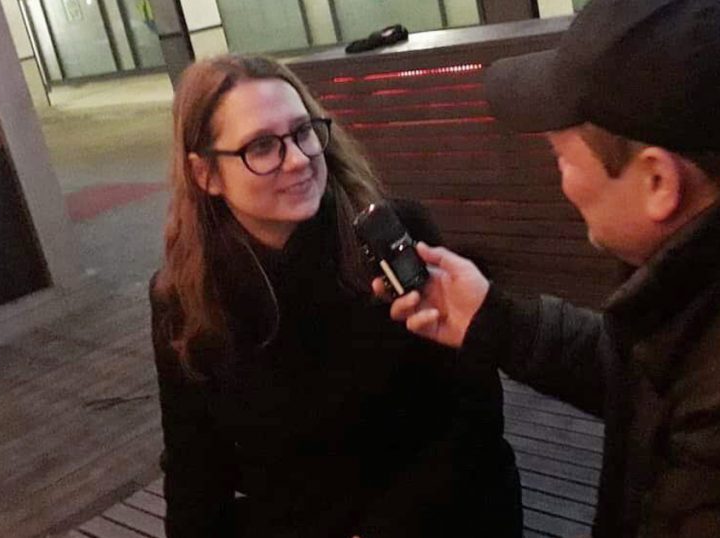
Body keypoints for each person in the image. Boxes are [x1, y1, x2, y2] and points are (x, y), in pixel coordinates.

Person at [381, 0, 720, 536]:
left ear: (658, 183)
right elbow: (659, 376)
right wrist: (494, 320)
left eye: (562, 157)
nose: (562, 183)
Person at [149, 55, 523, 538]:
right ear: (206, 175)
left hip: (439, 515)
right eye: (262, 146)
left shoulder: (394, 240)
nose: (301, 158)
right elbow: (193, 469)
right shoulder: (186, 298)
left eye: (303, 131)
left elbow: (474, 413)